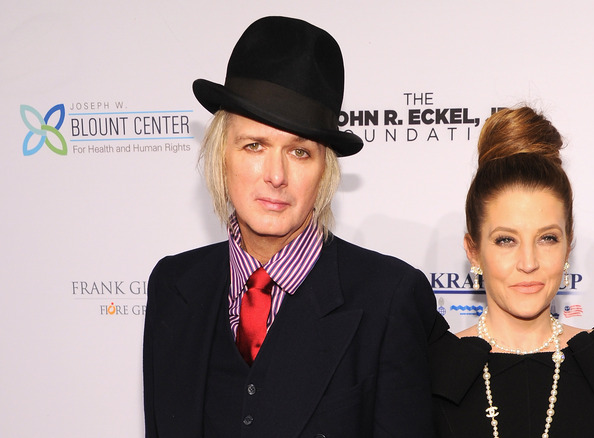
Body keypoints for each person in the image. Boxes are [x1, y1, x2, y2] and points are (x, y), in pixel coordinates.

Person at [143, 16, 442, 437]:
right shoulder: (174, 286)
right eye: (254, 146)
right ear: (220, 156)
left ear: (324, 170)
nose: (276, 175)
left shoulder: (389, 297)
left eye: (300, 152)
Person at [430, 107, 594, 437]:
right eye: (506, 240)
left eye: (547, 238)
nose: (529, 261)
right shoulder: (433, 372)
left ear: (568, 245)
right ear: (473, 250)